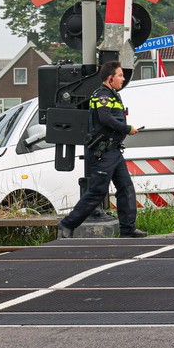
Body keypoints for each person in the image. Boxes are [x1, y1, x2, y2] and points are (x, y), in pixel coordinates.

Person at [59, 60, 147, 238]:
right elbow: (105, 118)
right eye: (120, 75)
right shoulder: (101, 95)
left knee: (126, 188)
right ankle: (67, 225)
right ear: (109, 78)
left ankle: (127, 229)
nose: (123, 79)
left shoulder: (114, 95)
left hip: (114, 151)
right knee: (97, 191)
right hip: (103, 152)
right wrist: (127, 129)